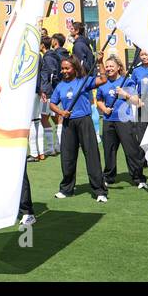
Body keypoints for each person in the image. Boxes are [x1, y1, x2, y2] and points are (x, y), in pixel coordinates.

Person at [48, 57, 108, 202]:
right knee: (67, 157)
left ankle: (99, 190)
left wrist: (100, 62)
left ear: (75, 68)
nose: (64, 71)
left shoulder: (84, 81)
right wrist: (61, 112)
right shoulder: (60, 86)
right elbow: (52, 104)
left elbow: (103, 80)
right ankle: (66, 189)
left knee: (92, 155)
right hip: (68, 123)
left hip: (84, 121)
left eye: (67, 68)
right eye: (62, 68)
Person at [96, 55, 148, 189]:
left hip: (124, 121)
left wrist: (125, 94)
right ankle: (109, 177)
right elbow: (99, 100)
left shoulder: (127, 81)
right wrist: (104, 109)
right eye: (107, 66)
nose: (108, 68)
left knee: (131, 151)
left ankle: (138, 178)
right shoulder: (103, 82)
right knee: (109, 151)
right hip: (108, 121)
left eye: (111, 66)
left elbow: (137, 102)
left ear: (119, 67)